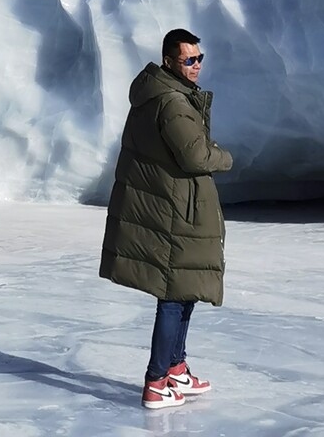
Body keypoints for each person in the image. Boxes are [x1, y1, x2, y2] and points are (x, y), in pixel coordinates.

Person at [99, 28, 233, 409]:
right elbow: (196, 156)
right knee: (174, 296)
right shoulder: (172, 102)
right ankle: (157, 379)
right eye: (189, 60)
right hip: (175, 212)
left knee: (184, 291)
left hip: (175, 206)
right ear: (169, 61)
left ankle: (176, 368)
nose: (196, 66)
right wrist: (224, 156)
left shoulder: (157, 95)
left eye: (199, 58)